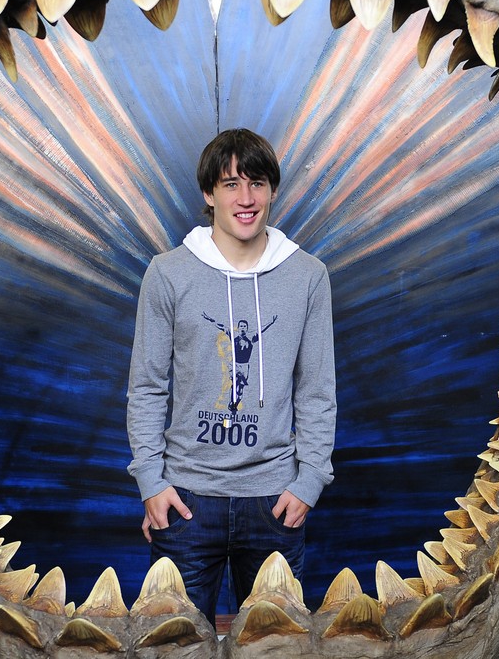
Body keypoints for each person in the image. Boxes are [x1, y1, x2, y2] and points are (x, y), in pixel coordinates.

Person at [126, 127, 336, 626]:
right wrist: (151, 482)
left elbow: (316, 392)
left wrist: (309, 482)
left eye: (258, 183)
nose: (246, 199)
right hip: (187, 500)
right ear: (208, 193)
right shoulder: (168, 273)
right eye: (231, 184)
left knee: (276, 646)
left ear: (272, 191)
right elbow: (147, 387)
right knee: (173, 643)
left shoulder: (308, 276)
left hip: (274, 502)